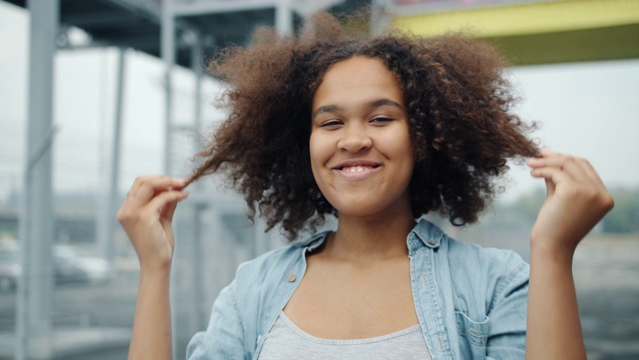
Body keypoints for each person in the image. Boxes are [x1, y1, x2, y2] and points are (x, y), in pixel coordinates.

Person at [117, 12, 614, 359]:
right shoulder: (253, 291)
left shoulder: (493, 287)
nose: (353, 140)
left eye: (381, 118)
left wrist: (553, 252)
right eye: (330, 124)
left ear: (423, 137)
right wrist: (154, 270)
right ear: (302, 145)